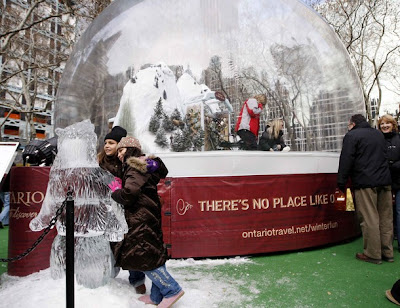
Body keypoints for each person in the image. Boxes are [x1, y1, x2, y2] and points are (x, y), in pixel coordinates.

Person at [110, 136, 184, 307]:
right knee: (151, 255)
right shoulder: (141, 165)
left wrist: (116, 192)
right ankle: (156, 297)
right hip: (147, 216)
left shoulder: (134, 167)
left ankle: (172, 290)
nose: (119, 154)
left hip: (140, 218)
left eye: (121, 150)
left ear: (130, 150)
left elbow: (130, 193)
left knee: (145, 257)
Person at [337, 114, 393, 264]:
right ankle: (387, 252)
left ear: (353, 124)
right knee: (385, 217)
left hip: (365, 182)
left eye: (348, 125)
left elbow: (346, 159)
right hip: (385, 181)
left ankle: (373, 254)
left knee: (369, 218)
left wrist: (341, 182)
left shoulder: (352, 136)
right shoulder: (378, 134)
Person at [98, 126, 147, 294]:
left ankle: (137, 279)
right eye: (105, 143)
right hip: (106, 210)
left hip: (127, 209)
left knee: (131, 245)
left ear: (121, 145)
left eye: (111, 143)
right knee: (108, 245)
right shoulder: (100, 163)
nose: (107, 146)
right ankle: (108, 277)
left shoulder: (127, 163)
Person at [378, 114, 400, 251]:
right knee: (385, 213)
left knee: (398, 211)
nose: (385, 126)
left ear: (393, 125)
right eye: (382, 124)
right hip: (383, 181)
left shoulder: (399, 139)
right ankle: (386, 243)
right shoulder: (378, 140)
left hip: (398, 180)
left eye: (387, 123)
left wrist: (393, 165)